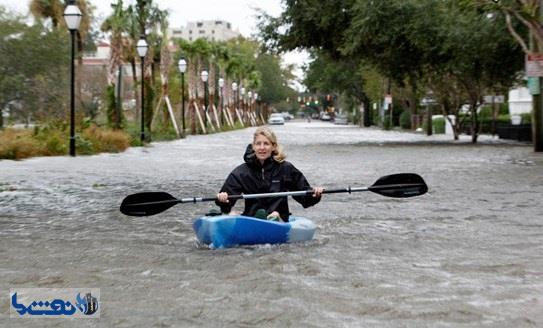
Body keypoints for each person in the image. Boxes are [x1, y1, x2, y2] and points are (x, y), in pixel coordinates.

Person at [216, 126, 323, 222]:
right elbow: (227, 204)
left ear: (273, 146)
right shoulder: (241, 172)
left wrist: (315, 194)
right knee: (233, 213)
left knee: (275, 215)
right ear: (253, 147)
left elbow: (305, 198)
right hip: (252, 220)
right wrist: (223, 199)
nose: (262, 148)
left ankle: (274, 217)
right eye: (258, 144)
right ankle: (260, 219)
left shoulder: (286, 169)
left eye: (266, 144)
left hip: (279, 219)